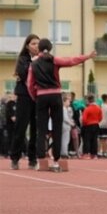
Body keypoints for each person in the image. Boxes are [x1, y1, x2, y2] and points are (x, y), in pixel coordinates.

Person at [27, 38, 95, 171]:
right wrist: (87, 56)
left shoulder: (33, 64)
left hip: (41, 96)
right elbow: (71, 61)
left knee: (41, 129)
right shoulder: (54, 60)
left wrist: (35, 97)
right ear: (50, 48)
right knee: (57, 128)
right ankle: (56, 161)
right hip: (55, 96)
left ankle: (41, 159)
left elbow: (29, 84)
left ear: (39, 49)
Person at [9, 34, 39, 170]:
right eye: (33, 43)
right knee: (21, 128)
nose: (36, 46)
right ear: (27, 46)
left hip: (37, 96)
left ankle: (32, 159)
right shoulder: (23, 59)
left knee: (35, 129)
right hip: (24, 96)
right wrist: (35, 63)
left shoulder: (42, 59)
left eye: (38, 43)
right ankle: (15, 158)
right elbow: (24, 73)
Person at [80, 94, 101, 159]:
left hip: (88, 125)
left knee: (87, 140)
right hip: (96, 124)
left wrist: (84, 124)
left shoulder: (87, 109)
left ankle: (86, 153)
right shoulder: (98, 108)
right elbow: (100, 117)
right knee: (94, 140)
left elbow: (84, 119)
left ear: (88, 101)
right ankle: (94, 154)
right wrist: (97, 121)